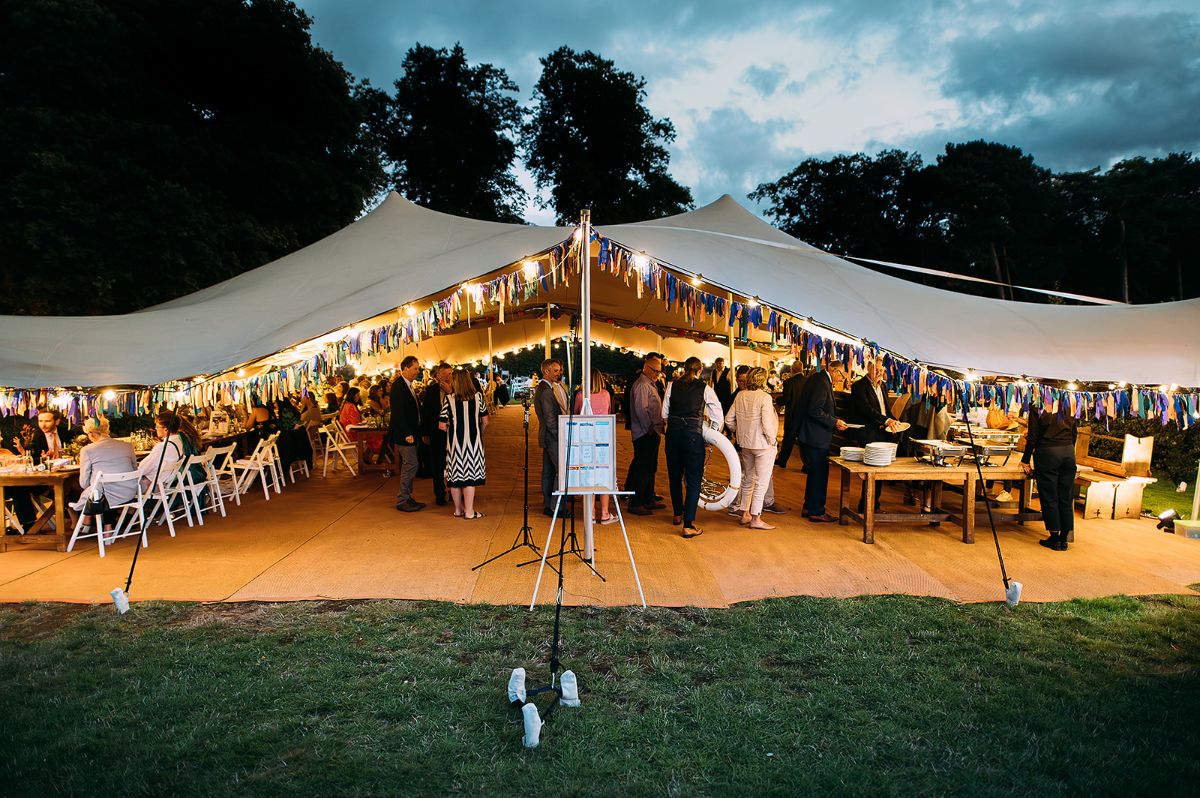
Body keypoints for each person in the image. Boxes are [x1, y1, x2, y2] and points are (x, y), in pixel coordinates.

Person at [662, 356, 723, 539]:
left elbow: (663, 413)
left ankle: (677, 514)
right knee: (694, 480)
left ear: (684, 368)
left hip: (673, 436)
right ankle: (688, 525)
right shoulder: (705, 389)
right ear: (699, 370)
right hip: (693, 437)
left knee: (674, 476)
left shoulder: (672, 385)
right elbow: (717, 417)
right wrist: (710, 434)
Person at [726, 367, 779, 530]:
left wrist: (739, 432)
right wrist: (773, 441)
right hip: (763, 445)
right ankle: (756, 517)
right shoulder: (765, 397)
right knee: (761, 482)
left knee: (748, 479)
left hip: (746, 444)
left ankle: (744, 514)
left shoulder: (740, 395)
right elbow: (767, 424)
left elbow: (728, 420)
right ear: (762, 380)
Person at [796, 358, 849, 522]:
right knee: (819, 474)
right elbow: (815, 410)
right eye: (842, 376)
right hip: (815, 437)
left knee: (814, 474)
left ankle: (809, 507)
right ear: (835, 371)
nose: (842, 379)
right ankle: (816, 511)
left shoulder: (818, 379)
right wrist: (834, 422)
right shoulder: (821, 382)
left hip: (812, 435)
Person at [1021, 402, 1078, 551]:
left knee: (1049, 494)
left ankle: (1054, 537)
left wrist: (1025, 459)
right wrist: (1069, 449)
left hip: (1047, 452)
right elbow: (1074, 433)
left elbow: (1032, 437)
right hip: (1068, 451)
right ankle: (1064, 538)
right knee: (1066, 495)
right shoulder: (1069, 403)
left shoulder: (1038, 405)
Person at [850, 357, 902, 512]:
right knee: (871, 470)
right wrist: (886, 420)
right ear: (868, 368)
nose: (879, 373)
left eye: (882, 370)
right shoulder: (859, 386)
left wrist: (895, 421)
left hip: (882, 433)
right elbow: (867, 410)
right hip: (869, 433)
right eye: (877, 370)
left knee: (880, 470)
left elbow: (885, 408)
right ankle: (865, 504)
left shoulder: (883, 386)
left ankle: (874, 503)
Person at [71, 416, 138, 530]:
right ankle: (104, 524)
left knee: (93, 489)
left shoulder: (87, 450)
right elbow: (134, 469)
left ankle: (88, 521)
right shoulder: (127, 446)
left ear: (91, 433)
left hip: (104, 497)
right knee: (100, 487)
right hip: (129, 492)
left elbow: (84, 483)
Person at [440, 368, 490, 519]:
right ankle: (469, 511)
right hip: (474, 444)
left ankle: (458, 510)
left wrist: (451, 427)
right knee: (471, 476)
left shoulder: (449, 399)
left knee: (455, 478)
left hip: (455, 445)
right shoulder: (478, 397)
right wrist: (478, 432)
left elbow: (441, 425)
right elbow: (485, 420)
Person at [573, 368, 617, 524]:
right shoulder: (606, 394)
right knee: (603, 475)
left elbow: (576, 413)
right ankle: (604, 513)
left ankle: (591, 512)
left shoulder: (580, 396)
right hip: (604, 438)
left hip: (586, 439)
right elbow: (610, 411)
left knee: (588, 475)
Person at [624, 353, 665, 517]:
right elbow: (641, 410)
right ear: (646, 368)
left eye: (659, 371)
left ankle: (647, 498)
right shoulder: (642, 385)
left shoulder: (651, 384)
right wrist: (650, 428)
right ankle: (636, 502)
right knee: (643, 468)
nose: (657, 374)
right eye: (654, 371)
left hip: (651, 431)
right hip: (645, 433)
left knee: (650, 467)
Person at [533, 358, 569, 517]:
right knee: (562, 470)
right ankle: (557, 507)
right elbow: (550, 418)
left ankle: (548, 505)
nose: (558, 373)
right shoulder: (546, 390)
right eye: (555, 371)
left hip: (547, 435)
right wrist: (560, 435)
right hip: (553, 436)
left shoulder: (544, 388)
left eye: (559, 370)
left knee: (548, 471)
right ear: (546, 371)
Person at [389, 355, 425, 512]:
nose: (417, 371)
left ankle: (408, 497)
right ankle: (402, 499)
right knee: (411, 464)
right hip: (406, 435)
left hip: (412, 433)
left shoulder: (408, 385)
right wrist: (406, 433)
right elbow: (398, 413)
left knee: (410, 464)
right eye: (415, 368)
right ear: (405, 368)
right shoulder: (399, 386)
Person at [421, 363, 453, 506]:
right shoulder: (431, 390)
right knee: (437, 464)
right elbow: (426, 412)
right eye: (445, 374)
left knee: (453, 463)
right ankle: (439, 494)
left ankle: (455, 492)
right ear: (438, 375)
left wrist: (450, 392)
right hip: (435, 432)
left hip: (453, 432)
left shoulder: (456, 390)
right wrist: (425, 433)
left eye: (450, 373)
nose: (448, 377)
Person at [776, 361, 809, 468]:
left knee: (788, 440)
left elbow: (786, 399)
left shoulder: (789, 382)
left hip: (792, 416)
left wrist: (778, 400)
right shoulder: (808, 381)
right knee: (804, 442)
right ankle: (807, 465)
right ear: (802, 369)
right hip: (805, 416)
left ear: (792, 369)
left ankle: (782, 461)